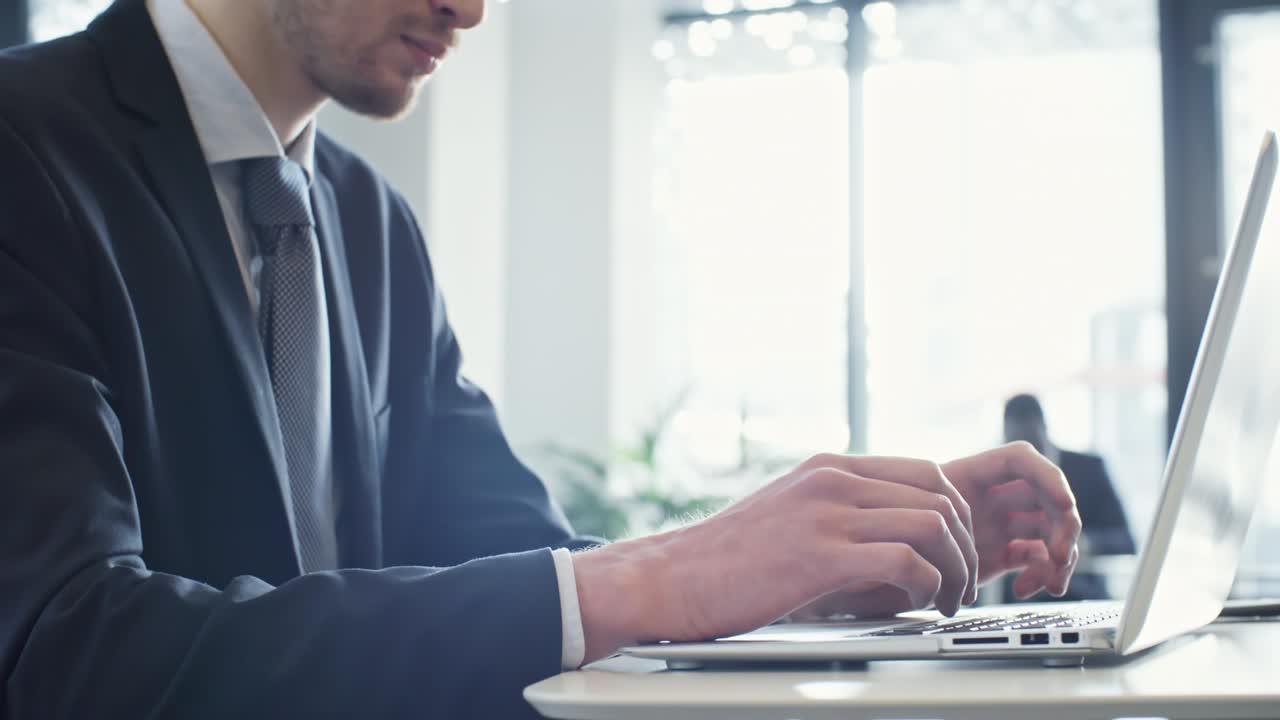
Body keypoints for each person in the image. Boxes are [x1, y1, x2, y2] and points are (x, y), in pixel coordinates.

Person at [0, 0, 1082, 717]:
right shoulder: (22, 147)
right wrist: (663, 578)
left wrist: (805, 572)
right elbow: (64, 652)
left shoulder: (368, 224)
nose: (471, 9)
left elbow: (528, 565)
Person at [1003, 393, 1136, 601]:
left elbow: (1125, 540)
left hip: (1081, 594)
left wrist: (1074, 542)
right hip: (1013, 601)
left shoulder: (1089, 469)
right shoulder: (998, 477)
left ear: (1044, 429)